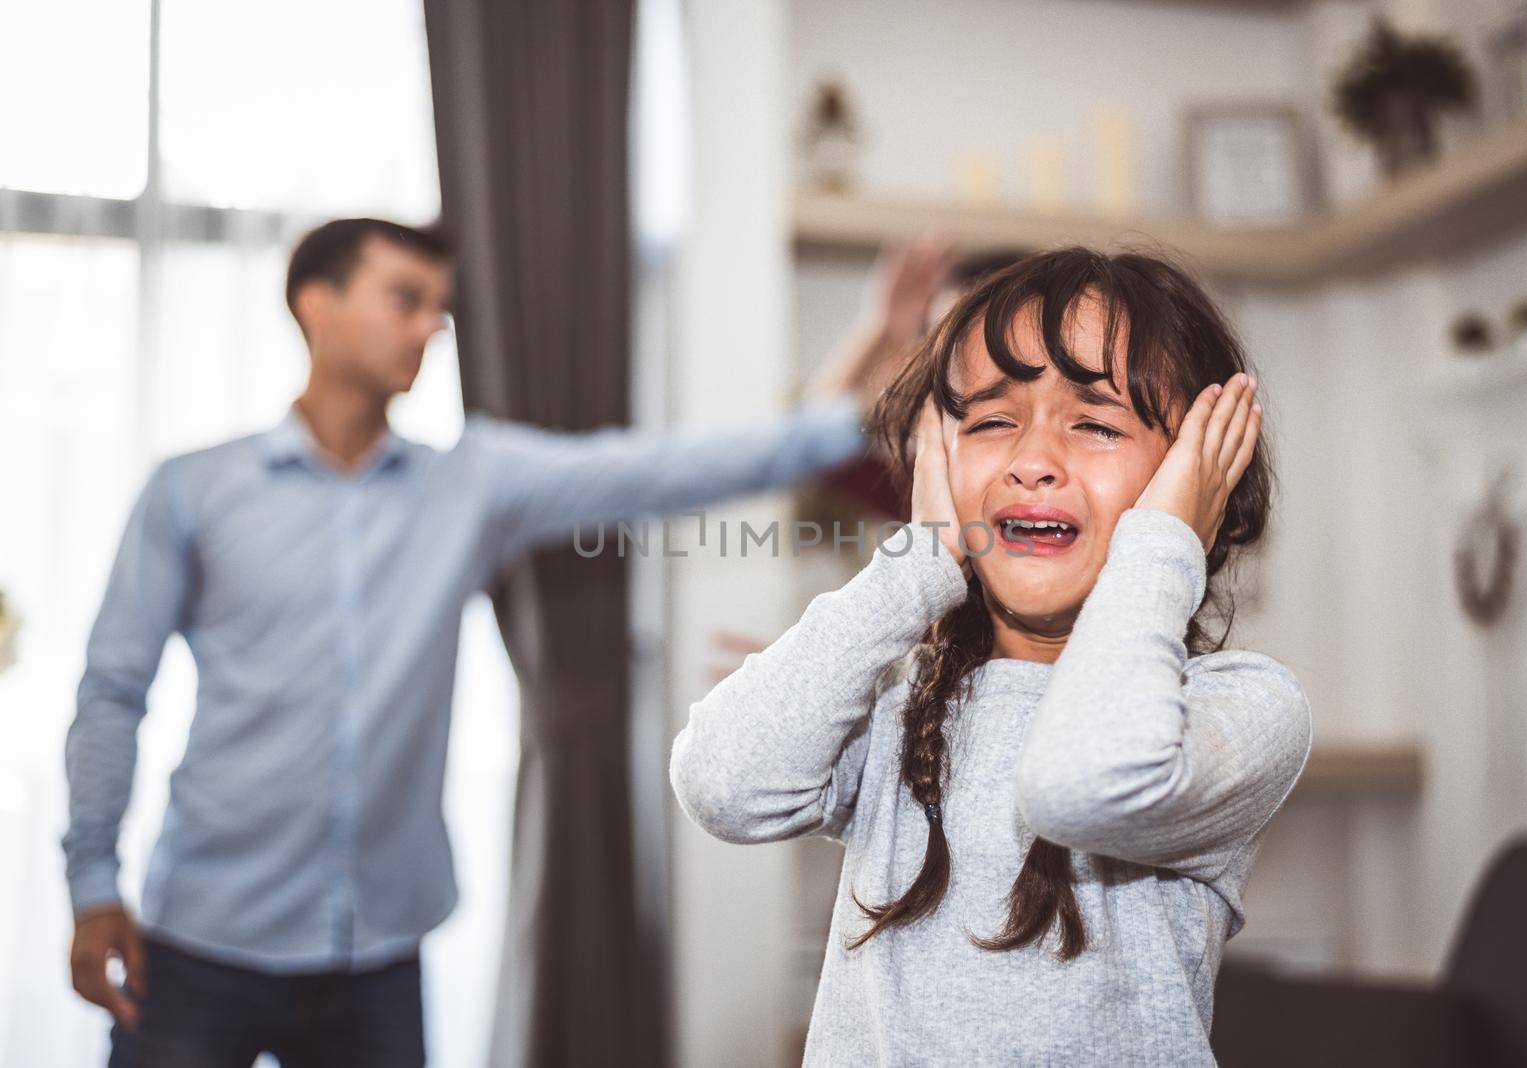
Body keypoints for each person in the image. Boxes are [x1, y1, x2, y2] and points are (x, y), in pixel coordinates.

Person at [62, 217, 922, 1066]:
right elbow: (112, 688)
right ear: (314, 305)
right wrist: (93, 885)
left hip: (379, 956)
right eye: (405, 298)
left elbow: (664, 466)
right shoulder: (193, 491)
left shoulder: (472, 483)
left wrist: (872, 387)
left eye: (439, 307)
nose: (431, 325)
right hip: (201, 942)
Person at [670, 246, 1313, 1065]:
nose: (1032, 459)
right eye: (991, 421)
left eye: (1096, 423)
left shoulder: (1240, 708)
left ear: (1200, 488)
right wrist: (921, 564)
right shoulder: (902, 708)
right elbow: (723, 784)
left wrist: (1164, 543)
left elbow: (1080, 784)